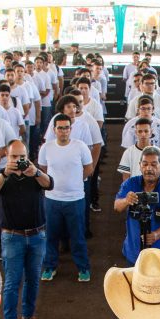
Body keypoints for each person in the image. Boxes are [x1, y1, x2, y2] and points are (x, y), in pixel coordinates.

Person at [0, 140, 54, 319]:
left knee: (33, 279)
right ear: (7, 157)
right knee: (11, 282)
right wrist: (5, 172)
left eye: (22, 156)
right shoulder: (1, 176)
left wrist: (35, 172)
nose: (19, 161)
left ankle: (28, 316)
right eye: (14, 157)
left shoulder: (34, 174)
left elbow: (49, 183)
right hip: (12, 237)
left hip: (37, 235)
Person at [37, 114, 93, 282]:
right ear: (54, 130)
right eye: (60, 128)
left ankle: (83, 268)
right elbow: (43, 169)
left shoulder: (80, 146)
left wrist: (74, 182)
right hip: (52, 199)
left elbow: (88, 169)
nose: (63, 131)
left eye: (66, 127)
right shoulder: (46, 148)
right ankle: (50, 267)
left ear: (71, 129)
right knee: (51, 236)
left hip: (75, 199)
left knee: (78, 236)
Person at [113, 146, 160, 265]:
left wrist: (156, 235)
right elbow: (117, 206)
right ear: (140, 165)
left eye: (154, 164)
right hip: (134, 252)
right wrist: (126, 200)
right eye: (145, 164)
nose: (149, 168)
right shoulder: (130, 183)